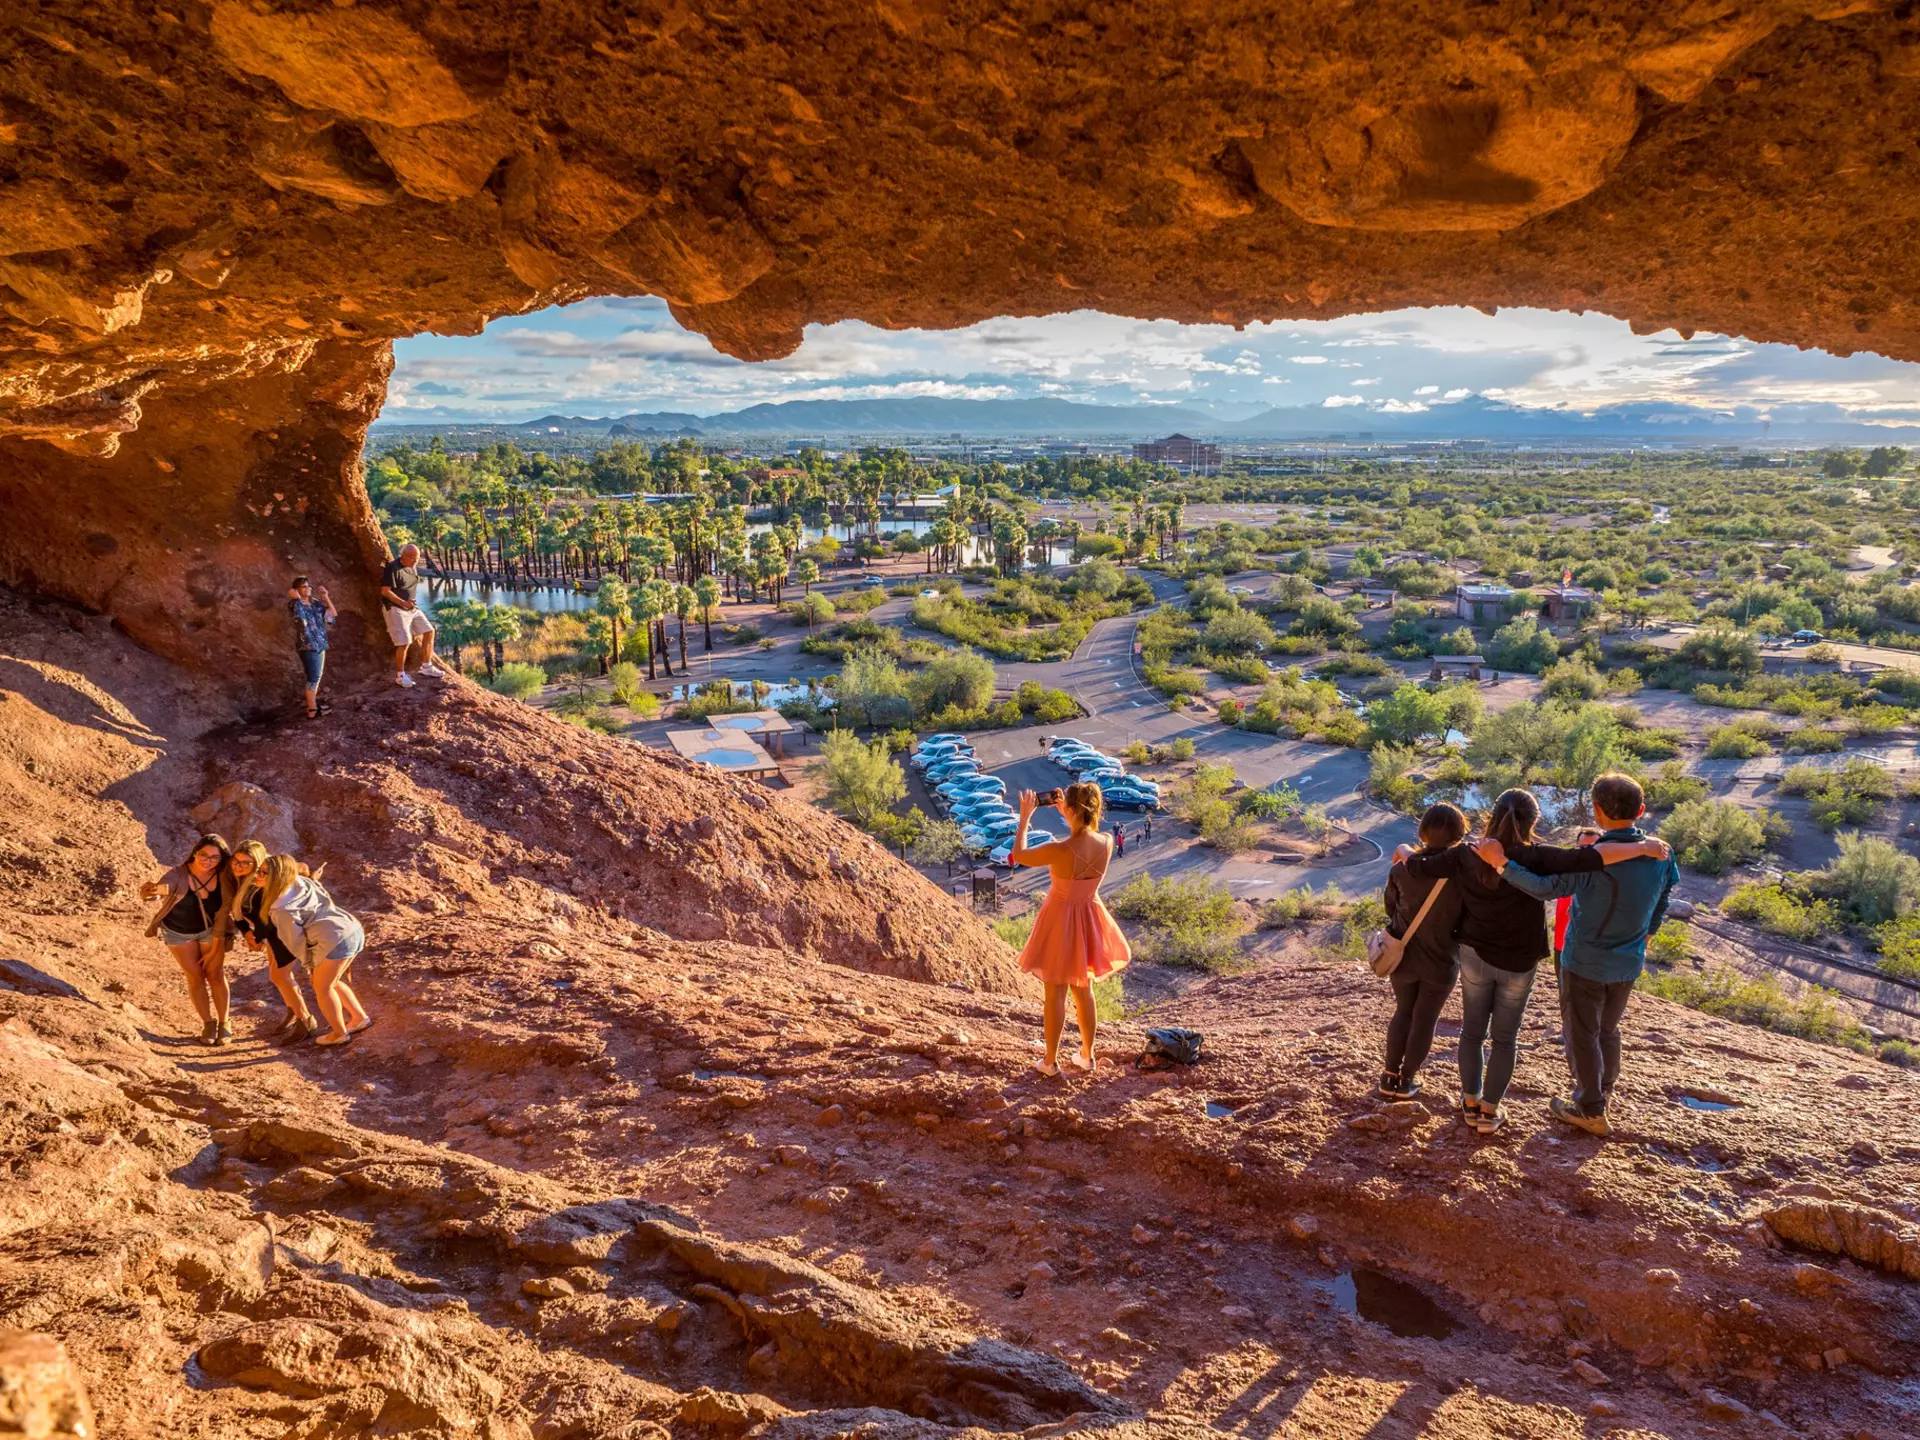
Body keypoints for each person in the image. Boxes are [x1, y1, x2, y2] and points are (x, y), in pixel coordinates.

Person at [1392, 790, 1667, 1134]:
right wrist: (1641, 847)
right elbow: (1592, 858)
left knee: (1473, 1032)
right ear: (1533, 821)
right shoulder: (1538, 856)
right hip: (1519, 962)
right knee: (1505, 1039)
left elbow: (1417, 865)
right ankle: (1490, 1114)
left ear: (1492, 815)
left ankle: (1470, 1103)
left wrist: (1404, 850)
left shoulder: (1466, 854)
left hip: (1474, 955)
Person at [1478, 774, 1681, 1138]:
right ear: (1641, 810)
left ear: (1597, 811)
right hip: (1629, 960)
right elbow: (1664, 896)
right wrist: (1647, 932)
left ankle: (1589, 1109)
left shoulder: (1595, 861)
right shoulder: (1662, 852)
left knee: (1582, 1033)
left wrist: (1502, 865)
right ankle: (1601, 1094)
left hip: (1585, 960)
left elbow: (1545, 888)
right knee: (1608, 1029)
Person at [1009, 783, 1131, 1076]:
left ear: (1073, 810)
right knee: (1083, 988)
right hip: (1089, 916)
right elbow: (1083, 831)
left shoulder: (1060, 850)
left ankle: (1050, 1062)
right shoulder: (1106, 842)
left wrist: (1025, 816)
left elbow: (1020, 855)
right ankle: (1087, 1056)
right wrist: (1069, 812)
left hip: (1061, 919)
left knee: (1055, 993)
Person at [1379, 803, 1467, 1100]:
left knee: (1403, 1011)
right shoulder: (1462, 873)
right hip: (1441, 959)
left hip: (1403, 955)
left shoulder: (1402, 869)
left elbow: (1390, 908)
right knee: (1425, 1019)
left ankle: (1389, 1075)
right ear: (1458, 835)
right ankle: (1407, 1080)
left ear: (1423, 831)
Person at [261, 854, 371, 1047]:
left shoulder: (280, 908)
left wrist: (309, 962)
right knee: (332, 981)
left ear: (278, 876)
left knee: (322, 987)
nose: (257, 875)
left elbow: (295, 941)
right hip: (352, 928)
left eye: (264, 872)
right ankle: (358, 1018)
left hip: (334, 939)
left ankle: (338, 1033)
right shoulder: (299, 881)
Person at [140, 834, 237, 1045]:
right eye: (204, 854)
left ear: (221, 860)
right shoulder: (177, 874)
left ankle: (225, 1023)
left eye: (214, 857)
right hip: (178, 932)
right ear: (195, 853)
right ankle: (208, 1023)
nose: (208, 860)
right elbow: (162, 889)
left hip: (211, 930)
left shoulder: (224, 876)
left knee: (216, 975)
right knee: (194, 976)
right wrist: (151, 893)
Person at [229, 841, 319, 1042]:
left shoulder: (264, 883)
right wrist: (248, 933)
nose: (239, 866)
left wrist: (256, 938)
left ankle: (305, 1020)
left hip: (283, 934)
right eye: (236, 861)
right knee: (278, 974)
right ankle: (293, 1011)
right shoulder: (246, 881)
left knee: (280, 976)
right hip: (272, 935)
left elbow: (267, 918)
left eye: (246, 863)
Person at [379, 543, 444, 688]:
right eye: (412, 557)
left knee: (429, 631)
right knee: (404, 642)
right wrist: (403, 603)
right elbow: (385, 591)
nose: (415, 560)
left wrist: (410, 603)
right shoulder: (392, 568)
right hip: (396, 609)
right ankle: (400, 676)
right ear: (403, 556)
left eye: (417, 557)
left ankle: (426, 667)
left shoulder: (412, 566)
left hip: (412, 608)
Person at [287, 576, 336, 719]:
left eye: (308, 586)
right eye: (303, 586)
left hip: (320, 643)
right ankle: (312, 710)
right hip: (307, 645)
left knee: (317, 677)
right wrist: (296, 599)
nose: (308, 588)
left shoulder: (315, 604)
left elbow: (332, 615)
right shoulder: (294, 604)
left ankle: (312, 705)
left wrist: (326, 597)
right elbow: (300, 620)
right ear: (296, 590)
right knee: (313, 678)